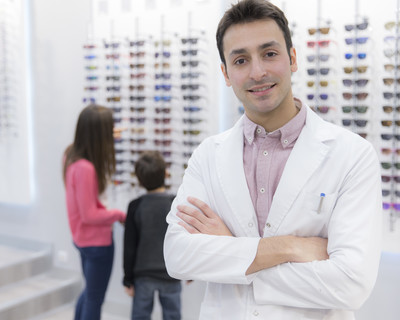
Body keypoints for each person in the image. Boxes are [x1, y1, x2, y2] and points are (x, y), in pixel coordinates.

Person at [163, 0, 382, 319]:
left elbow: (350, 284)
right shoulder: (208, 155)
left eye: (269, 53)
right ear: (226, 73)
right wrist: (289, 247)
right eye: (240, 60)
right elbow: (178, 256)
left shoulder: (351, 155)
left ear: (292, 58)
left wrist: (232, 253)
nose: (258, 72)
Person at [63, 103, 126, 320]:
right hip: (97, 244)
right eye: (109, 129)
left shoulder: (70, 155)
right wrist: (119, 215)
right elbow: (90, 214)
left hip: (81, 239)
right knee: (95, 298)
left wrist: (105, 134)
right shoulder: (86, 169)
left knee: (90, 292)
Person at [123, 151, 182, 320]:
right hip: (171, 274)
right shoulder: (175, 204)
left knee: (140, 316)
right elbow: (185, 240)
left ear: (139, 181)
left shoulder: (135, 206)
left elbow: (129, 247)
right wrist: (189, 271)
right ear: (166, 173)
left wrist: (128, 279)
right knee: (173, 316)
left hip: (143, 276)